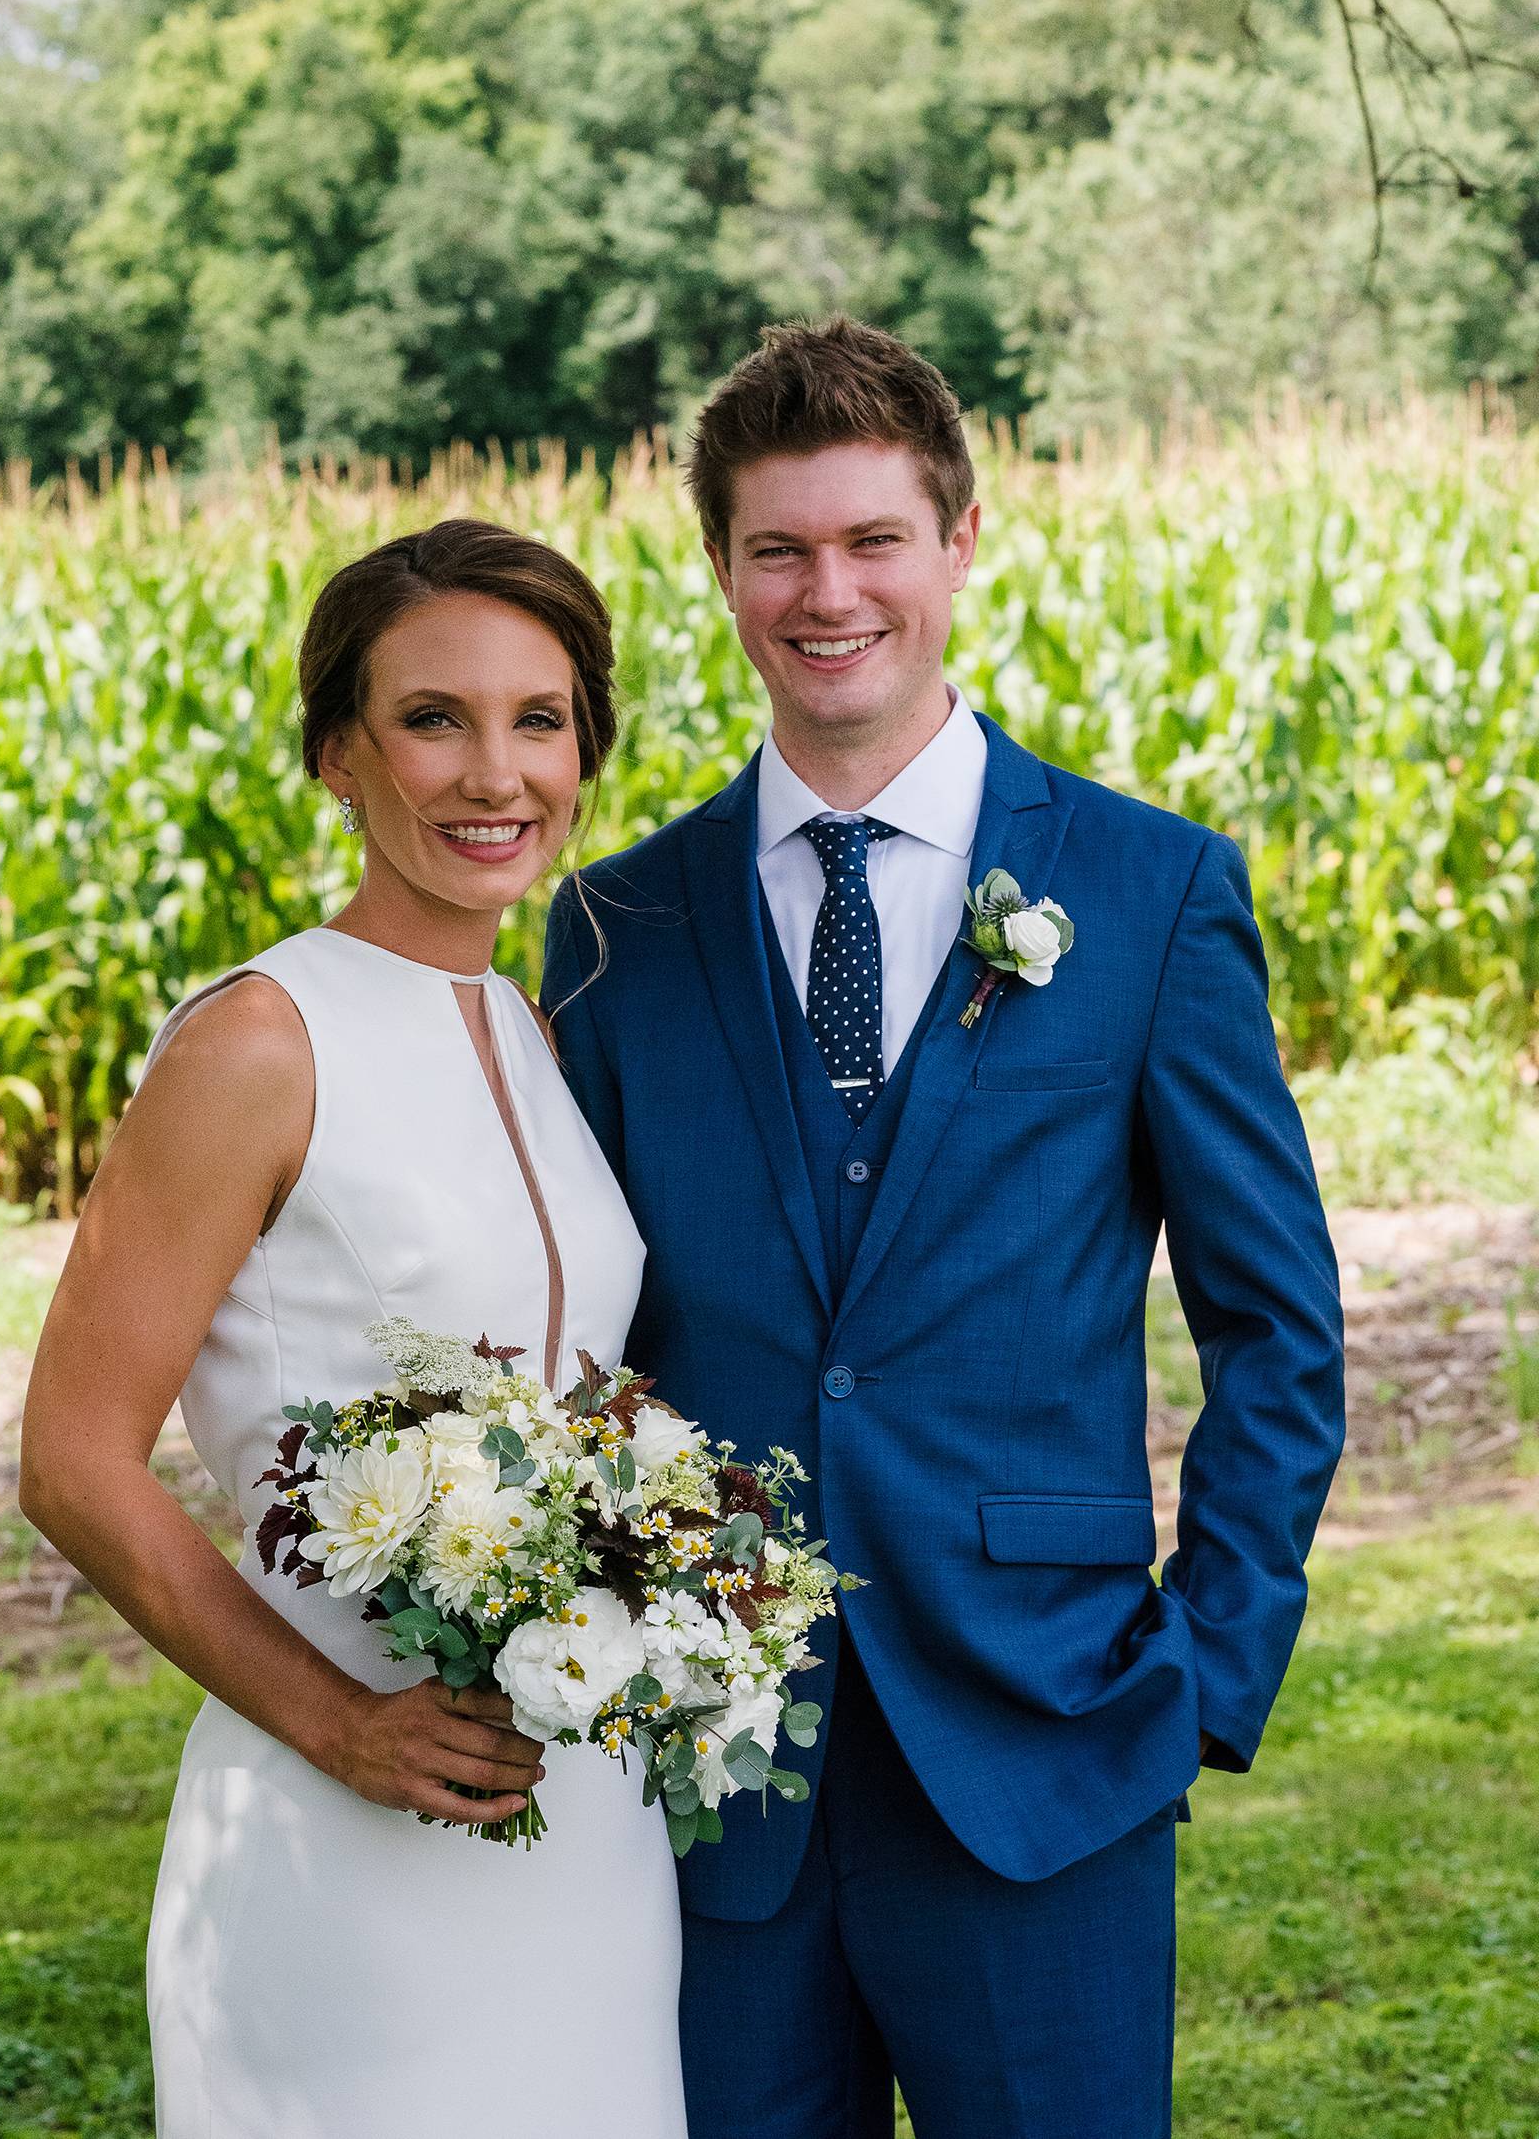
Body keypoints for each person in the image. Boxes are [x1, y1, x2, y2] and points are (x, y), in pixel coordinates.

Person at [542, 318, 1347, 2139]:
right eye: (780, 549)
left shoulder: (1149, 893)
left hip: (1049, 1746)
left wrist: (1208, 1663)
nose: (830, 593)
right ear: (724, 571)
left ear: (961, 538)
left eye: (872, 539)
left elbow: (1276, 1322)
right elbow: (570, 1340)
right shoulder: (612, 927)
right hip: (713, 1782)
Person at [19, 521, 686, 2139]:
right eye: (433, 717)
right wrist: (346, 1725)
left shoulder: (531, 1027)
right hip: (344, 1831)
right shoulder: (259, 1035)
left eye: (540, 718)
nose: (496, 771)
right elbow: (72, 1460)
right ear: (338, 753)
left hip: (586, 1833)